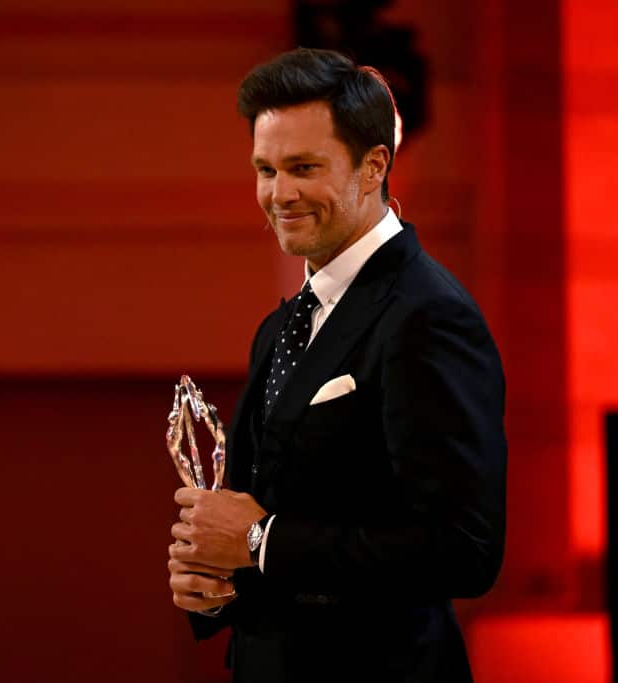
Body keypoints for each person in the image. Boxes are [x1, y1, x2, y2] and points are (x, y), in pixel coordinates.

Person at [166, 48, 507, 682]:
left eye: (303, 168)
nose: (278, 193)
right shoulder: (282, 324)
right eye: (265, 169)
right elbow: (276, 516)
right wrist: (217, 579)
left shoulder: (429, 316)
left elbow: (465, 551)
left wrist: (259, 543)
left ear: (374, 165)